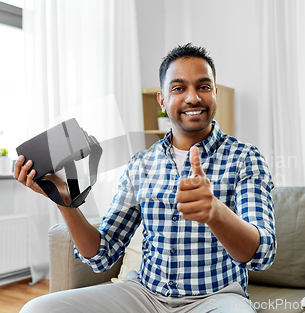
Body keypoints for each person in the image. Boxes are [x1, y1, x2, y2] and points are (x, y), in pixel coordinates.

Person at [16, 43, 276, 313]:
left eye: (203, 86)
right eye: (178, 88)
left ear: (215, 94)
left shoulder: (246, 159)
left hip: (217, 298)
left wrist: (215, 212)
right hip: (145, 295)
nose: (193, 98)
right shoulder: (140, 165)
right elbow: (102, 255)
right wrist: (64, 201)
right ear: (162, 100)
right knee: (38, 309)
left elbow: (262, 255)